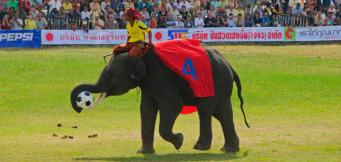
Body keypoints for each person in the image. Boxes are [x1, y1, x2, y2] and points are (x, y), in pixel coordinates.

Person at [112, 8, 152, 80]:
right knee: (116, 49)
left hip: (141, 43)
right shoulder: (127, 25)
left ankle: (133, 72)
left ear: (130, 16)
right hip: (131, 42)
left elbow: (149, 31)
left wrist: (150, 42)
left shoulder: (138, 23)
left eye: (125, 16)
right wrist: (127, 44)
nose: (124, 17)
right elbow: (129, 35)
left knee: (131, 54)